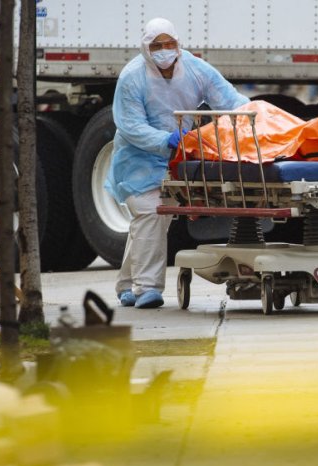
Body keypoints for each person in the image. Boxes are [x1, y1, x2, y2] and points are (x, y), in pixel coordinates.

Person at [105, 18, 250, 309]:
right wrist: (165, 140)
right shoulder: (132, 77)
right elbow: (130, 126)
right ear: (146, 48)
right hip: (138, 160)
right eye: (157, 46)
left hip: (180, 156)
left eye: (169, 44)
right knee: (150, 212)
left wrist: (252, 115)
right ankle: (147, 288)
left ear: (178, 44)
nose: (164, 51)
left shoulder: (195, 68)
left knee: (152, 220)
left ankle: (126, 284)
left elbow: (229, 98)